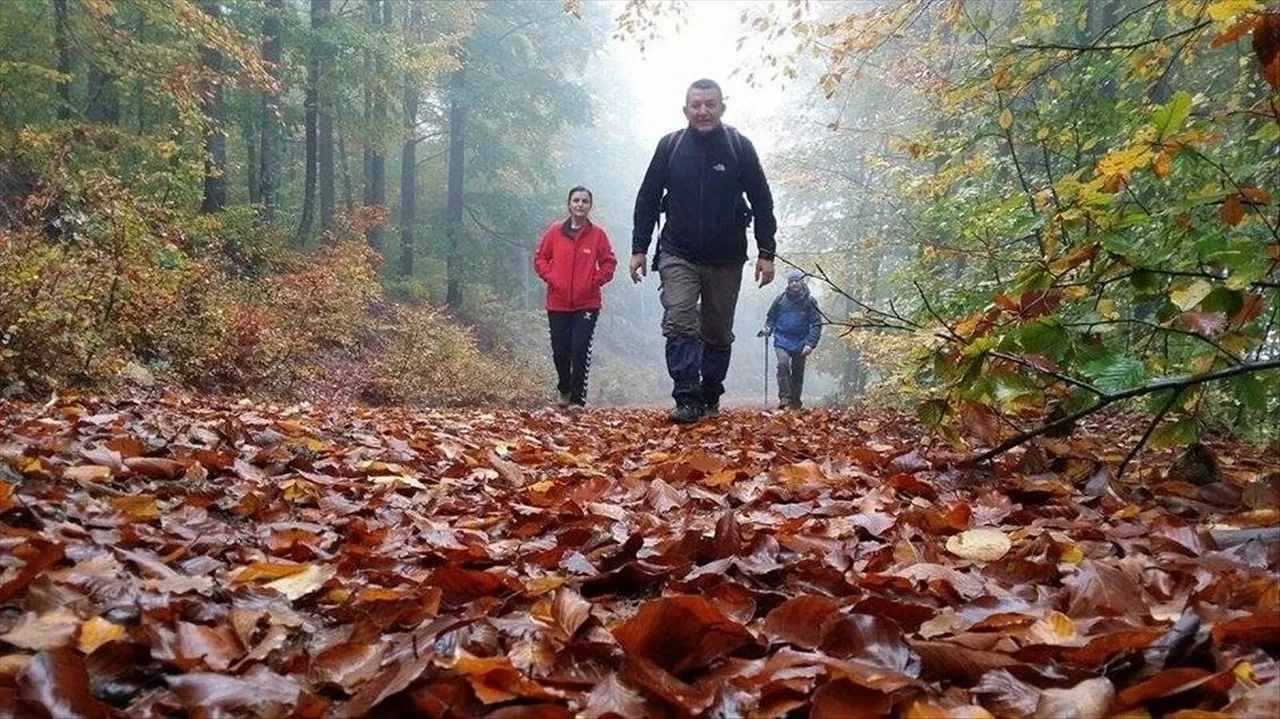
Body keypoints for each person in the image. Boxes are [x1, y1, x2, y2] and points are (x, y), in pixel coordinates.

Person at [629, 78, 778, 424]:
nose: (703, 111)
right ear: (686, 110)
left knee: (717, 331)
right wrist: (639, 248)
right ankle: (686, 395)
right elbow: (648, 198)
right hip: (677, 251)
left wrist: (766, 252)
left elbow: (762, 202)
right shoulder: (670, 146)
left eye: (710, 104)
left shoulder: (740, 147)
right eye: (696, 105)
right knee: (679, 318)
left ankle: (710, 392)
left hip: (726, 257)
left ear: (722, 107)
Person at [533, 186, 617, 410]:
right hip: (557, 301)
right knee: (560, 349)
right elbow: (540, 257)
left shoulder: (598, 234)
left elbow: (609, 262)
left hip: (587, 303)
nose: (580, 204)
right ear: (569, 204)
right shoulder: (554, 231)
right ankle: (564, 388)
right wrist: (552, 277)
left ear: (590, 206)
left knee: (579, 347)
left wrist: (594, 280)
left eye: (585, 201)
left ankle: (578, 398)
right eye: (576, 200)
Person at [763, 270, 822, 410]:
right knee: (783, 364)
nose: (794, 283)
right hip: (782, 339)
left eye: (797, 280)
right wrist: (767, 329)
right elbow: (771, 318)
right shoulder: (780, 300)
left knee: (797, 370)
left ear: (802, 282)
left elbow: (816, 324)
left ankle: (795, 402)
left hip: (801, 341)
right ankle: (785, 399)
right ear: (788, 284)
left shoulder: (810, 301)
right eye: (791, 281)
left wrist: (810, 344)